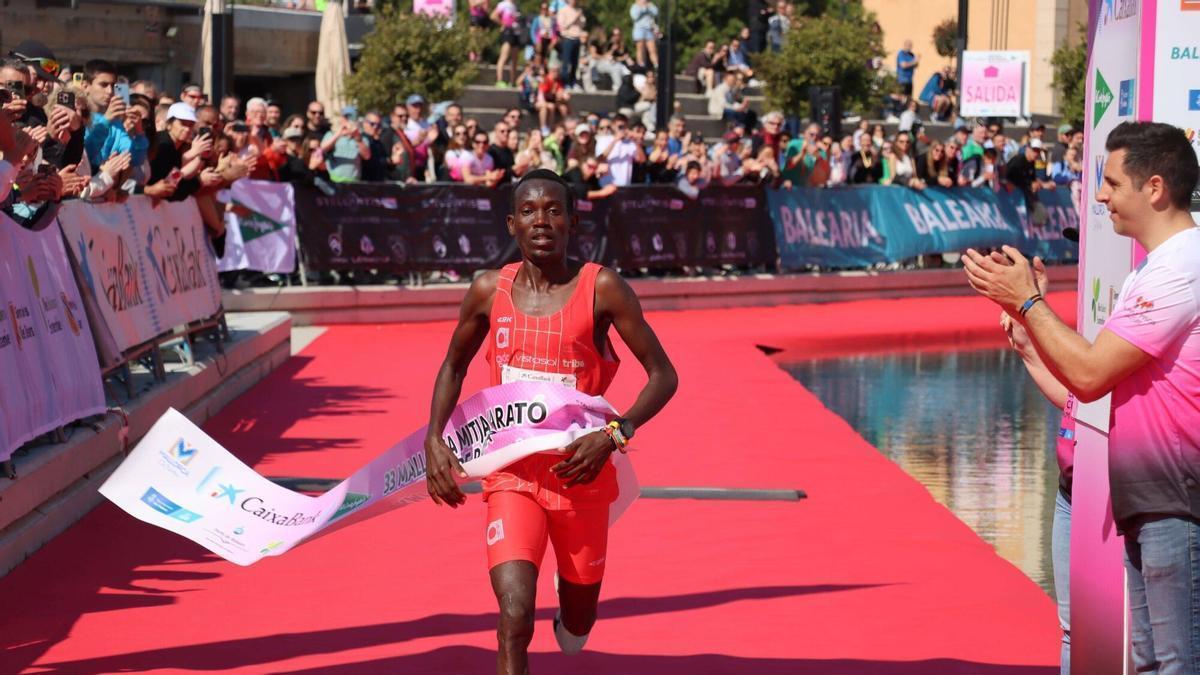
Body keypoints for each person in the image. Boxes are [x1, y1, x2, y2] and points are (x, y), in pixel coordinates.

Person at [964, 121, 1200, 675]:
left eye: (1112, 184)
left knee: (1175, 664)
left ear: (1155, 188)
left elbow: (1091, 374)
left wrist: (1028, 304)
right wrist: (1030, 331)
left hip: (1178, 496)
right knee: (1151, 662)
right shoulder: (1157, 266)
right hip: (1153, 495)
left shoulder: (1181, 268)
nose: (1099, 196)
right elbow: (1089, 381)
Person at [423, 169, 677, 674]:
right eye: (531, 211)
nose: (543, 220)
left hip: (580, 476)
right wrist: (434, 436)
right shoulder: (485, 291)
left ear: (572, 221)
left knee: (577, 632)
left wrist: (614, 433)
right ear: (512, 224)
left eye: (554, 210)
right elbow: (454, 364)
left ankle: (573, 601)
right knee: (514, 617)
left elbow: (663, 376)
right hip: (512, 476)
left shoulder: (602, 287)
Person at [630, 0, 659, 69]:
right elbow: (634, 16)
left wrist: (648, 7)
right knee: (640, 48)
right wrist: (643, 8)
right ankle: (641, 66)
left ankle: (656, 66)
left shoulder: (650, 5)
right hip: (639, 29)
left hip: (649, 29)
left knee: (652, 49)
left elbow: (656, 12)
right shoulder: (635, 6)